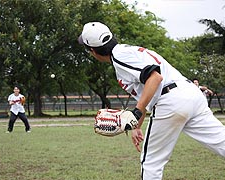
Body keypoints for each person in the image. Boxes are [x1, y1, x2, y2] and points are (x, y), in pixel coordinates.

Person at [78, 22, 225, 179]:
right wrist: (137, 125)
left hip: (171, 100)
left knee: (151, 163)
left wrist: (136, 112)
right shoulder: (126, 51)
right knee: (221, 142)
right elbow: (149, 91)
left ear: (92, 51)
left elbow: (155, 78)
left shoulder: (120, 57)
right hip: (190, 94)